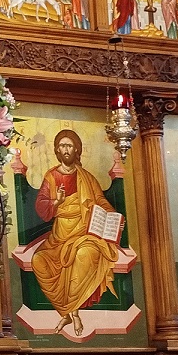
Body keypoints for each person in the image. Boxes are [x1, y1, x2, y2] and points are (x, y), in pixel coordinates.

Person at [31, 130, 119, 337]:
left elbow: (100, 201)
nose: (66, 150)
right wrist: (57, 202)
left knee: (83, 255)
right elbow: (41, 205)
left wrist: (113, 217)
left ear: (77, 149)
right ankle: (67, 312)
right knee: (38, 261)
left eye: (69, 146)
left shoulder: (86, 177)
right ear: (56, 150)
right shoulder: (51, 176)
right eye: (62, 146)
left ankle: (74, 313)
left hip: (84, 232)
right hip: (60, 235)